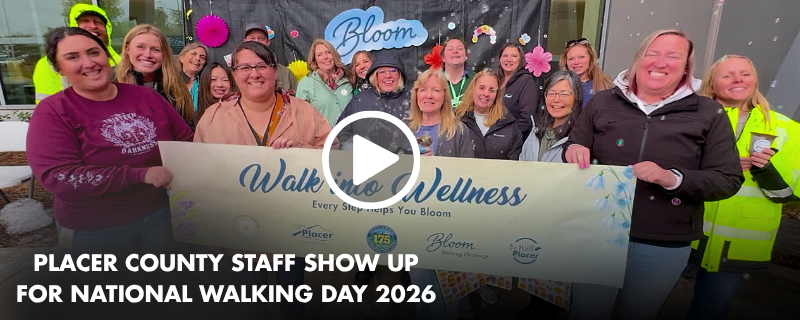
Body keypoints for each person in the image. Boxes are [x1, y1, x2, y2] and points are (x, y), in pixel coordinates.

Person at [563, 29, 744, 320]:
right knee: (586, 311)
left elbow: (728, 179)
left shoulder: (708, 112)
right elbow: (576, 142)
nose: (660, 62)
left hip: (664, 243)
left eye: (673, 56)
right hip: (598, 234)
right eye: (653, 53)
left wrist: (672, 178)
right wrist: (574, 148)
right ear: (638, 59)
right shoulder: (602, 102)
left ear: (686, 66)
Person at [194, 41, 332, 320]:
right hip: (237, 226)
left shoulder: (302, 110)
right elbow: (197, 172)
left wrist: (303, 149)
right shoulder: (213, 117)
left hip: (292, 224)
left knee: (292, 293)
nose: (253, 74)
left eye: (260, 66)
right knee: (249, 298)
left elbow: (332, 154)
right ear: (234, 73)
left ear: (273, 70)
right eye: (244, 67)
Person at [26, 27, 193, 255]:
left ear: (106, 55)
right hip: (96, 229)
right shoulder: (53, 111)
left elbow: (185, 140)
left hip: (160, 216)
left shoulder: (146, 97)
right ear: (59, 68)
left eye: (94, 52)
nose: (88, 63)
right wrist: (140, 175)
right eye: (73, 57)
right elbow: (59, 176)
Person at [686, 55, 800, 320]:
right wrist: (715, 165)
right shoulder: (690, 119)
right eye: (727, 75)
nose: (738, 79)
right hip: (685, 230)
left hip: (737, 243)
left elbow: (789, 196)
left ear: (755, 80)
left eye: (744, 74)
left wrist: (766, 170)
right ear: (712, 85)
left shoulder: (786, 129)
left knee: (711, 310)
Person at [406, 69, 473, 320]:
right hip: (414, 219)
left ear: (445, 96)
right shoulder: (404, 128)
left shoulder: (458, 131)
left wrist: (441, 169)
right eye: (423, 89)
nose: (429, 95)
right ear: (416, 95)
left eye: (436, 90)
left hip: (448, 221)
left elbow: (469, 179)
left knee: (446, 285)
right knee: (419, 280)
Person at [517, 70, 583, 319]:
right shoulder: (537, 129)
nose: (556, 99)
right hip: (533, 209)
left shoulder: (580, 135)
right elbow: (524, 162)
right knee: (534, 261)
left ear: (576, 98)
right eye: (552, 93)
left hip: (561, 216)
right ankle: (535, 303)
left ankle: (548, 309)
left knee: (555, 268)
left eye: (564, 93)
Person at [33, 3, 120, 104]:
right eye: (85, 21)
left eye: (98, 22)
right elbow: (48, 107)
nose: (93, 26)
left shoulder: (121, 60)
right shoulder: (48, 64)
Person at [115, 24, 194, 127]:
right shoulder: (112, 86)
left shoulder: (176, 91)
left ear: (164, 54)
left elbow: (186, 131)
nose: (148, 54)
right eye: (140, 47)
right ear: (127, 49)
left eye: (156, 49)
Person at [336, 52, 412, 153]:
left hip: (405, 164)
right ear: (374, 76)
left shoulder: (412, 100)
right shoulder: (360, 99)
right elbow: (340, 132)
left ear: (400, 74)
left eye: (393, 71)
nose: (388, 75)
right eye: (382, 72)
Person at [456, 69, 523, 160]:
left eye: (492, 90)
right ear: (473, 89)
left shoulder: (509, 125)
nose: (486, 94)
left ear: (497, 94)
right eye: (482, 88)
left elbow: (515, 163)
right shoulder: (457, 120)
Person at [224, 23, 298, 93]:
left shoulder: (286, 73)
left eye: (261, 38)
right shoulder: (236, 72)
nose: (256, 42)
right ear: (245, 41)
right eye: (252, 38)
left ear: (268, 42)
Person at [296, 39, 354, 126]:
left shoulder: (348, 80)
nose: (325, 57)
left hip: (350, 137)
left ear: (334, 55)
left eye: (328, 52)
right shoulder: (306, 83)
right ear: (314, 60)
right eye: (319, 55)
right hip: (323, 138)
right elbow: (300, 118)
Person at [497, 43, 539, 138]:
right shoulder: (496, 81)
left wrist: (508, 136)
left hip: (512, 140)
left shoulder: (526, 81)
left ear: (520, 60)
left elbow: (526, 119)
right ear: (500, 59)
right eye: (505, 56)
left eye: (514, 56)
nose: (509, 59)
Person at [559, 38, 613, 106]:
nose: (576, 62)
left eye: (581, 57)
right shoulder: (558, 86)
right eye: (571, 58)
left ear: (591, 59)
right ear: (566, 62)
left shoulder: (605, 86)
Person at [441, 38, 473, 108]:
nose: (455, 51)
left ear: (466, 56)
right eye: (450, 49)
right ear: (443, 57)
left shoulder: (476, 79)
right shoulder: (435, 80)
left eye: (460, 48)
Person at [178, 43, 209, 112]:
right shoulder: (170, 82)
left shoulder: (206, 83)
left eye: (202, 57)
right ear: (182, 58)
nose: (198, 58)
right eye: (193, 54)